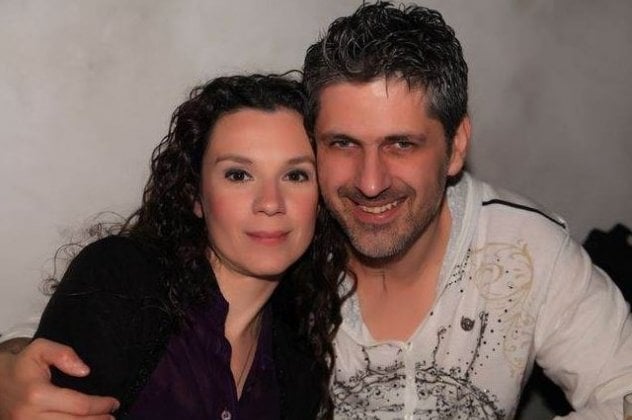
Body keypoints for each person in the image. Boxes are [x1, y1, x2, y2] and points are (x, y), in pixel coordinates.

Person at [2, 2, 632, 419]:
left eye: (401, 144)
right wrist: (7, 365)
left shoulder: (526, 249)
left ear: (456, 146)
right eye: (342, 145)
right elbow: (86, 326)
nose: (369, 182)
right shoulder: (292, 256)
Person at [0, 73, 344, 419]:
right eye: (238, 175)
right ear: (195, 195)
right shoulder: (123, 283)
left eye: (296, 175)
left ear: (321, 199)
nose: (270, 202)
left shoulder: (299, 364)